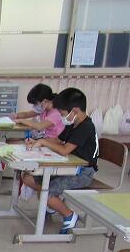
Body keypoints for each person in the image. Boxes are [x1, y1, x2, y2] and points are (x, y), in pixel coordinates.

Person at [22, 87, 99, 233]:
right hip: (69, 167)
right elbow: (57, 140)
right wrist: (37, 141)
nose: (62, 117)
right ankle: (53, 204)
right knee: (28, 178)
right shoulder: (73, 124)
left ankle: (69, 215)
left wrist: (43, 142)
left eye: (63, 113)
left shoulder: (86, 127)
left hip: (83, 173)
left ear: (74, 111)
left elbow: (64, 150)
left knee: (46, 192)